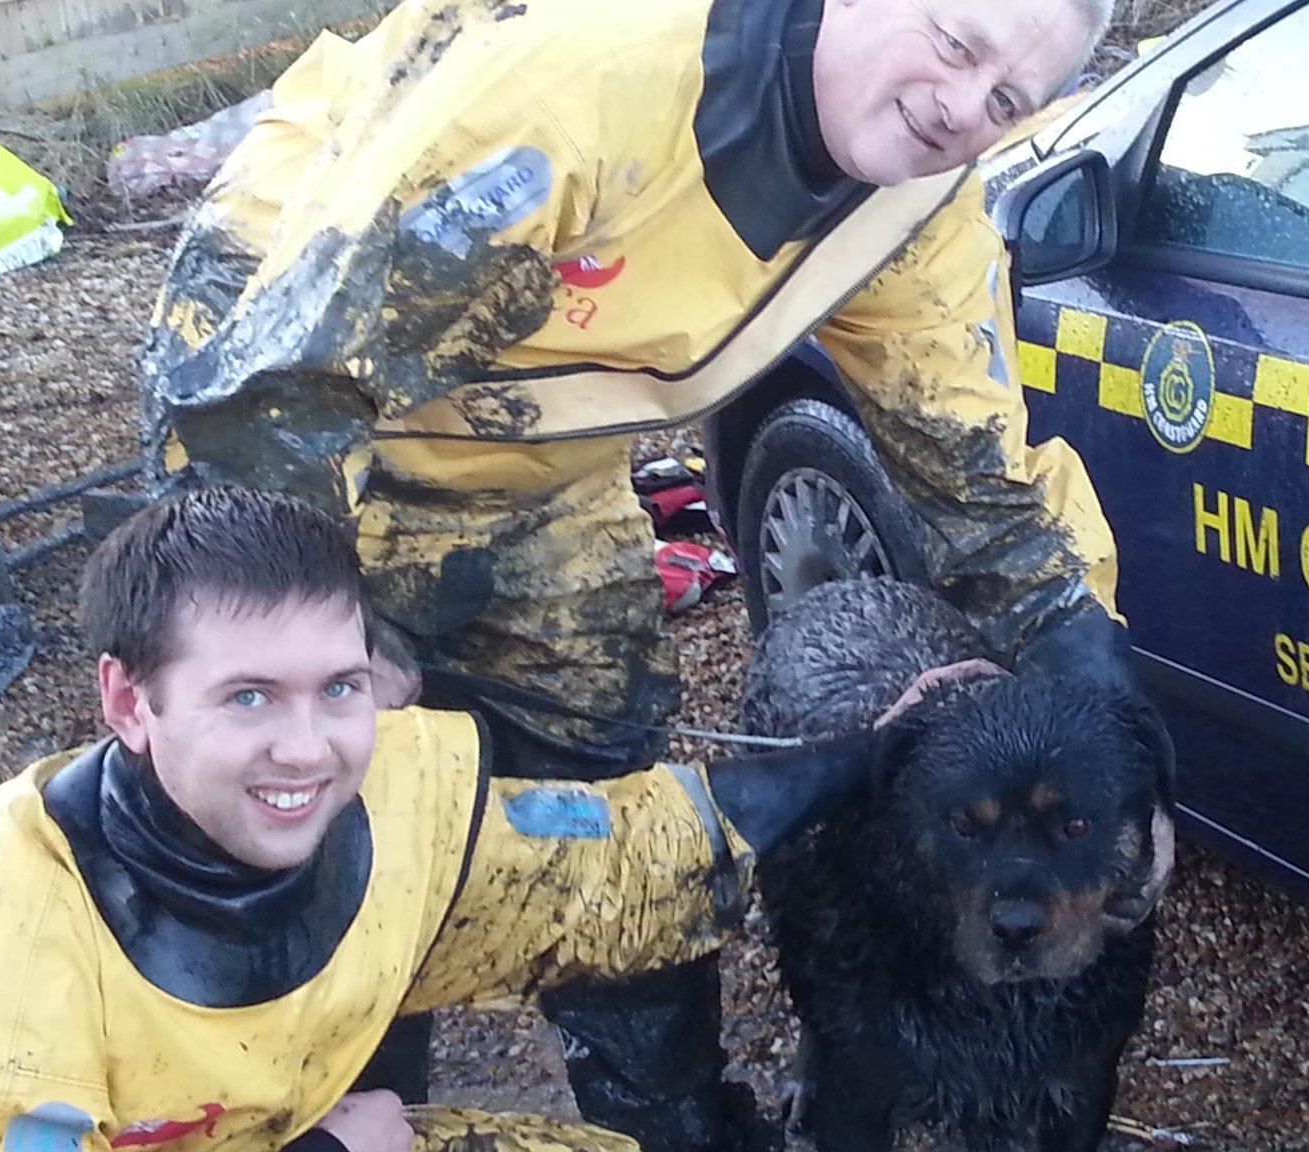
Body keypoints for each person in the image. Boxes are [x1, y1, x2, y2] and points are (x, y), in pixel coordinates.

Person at [137, 0, 1142, 1143]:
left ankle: (671, 1121)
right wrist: (337, 654)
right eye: (952, 43)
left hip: (526, 452)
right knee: (319, 803)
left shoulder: (918, 205)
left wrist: (1083, 655)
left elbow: (975, 471)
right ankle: (343, 1105)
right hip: (287, 410)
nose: (963, 106)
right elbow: (269, 404)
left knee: (615, 796)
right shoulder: (577, 92)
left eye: (1008, 100)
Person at [0, 486, 900, 1152]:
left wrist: (877, 749)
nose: (309, 750)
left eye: (340, 687)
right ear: (128, 701)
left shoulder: (400, 800)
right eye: (248, 698)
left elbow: (621, 856)